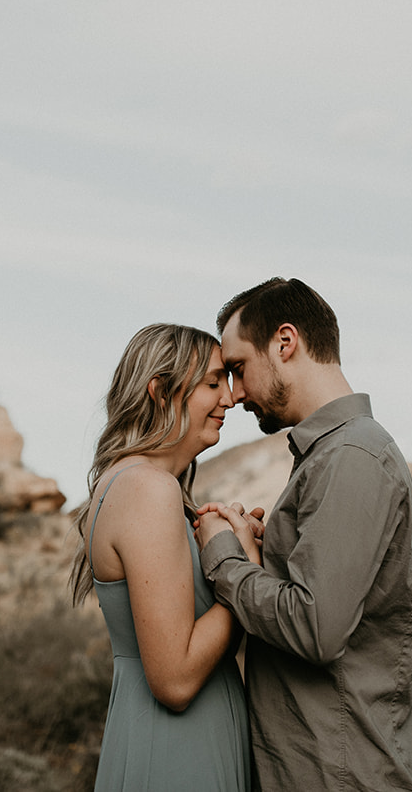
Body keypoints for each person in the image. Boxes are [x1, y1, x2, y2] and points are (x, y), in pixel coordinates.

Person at [194, 278, 412, 791]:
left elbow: (315, 627)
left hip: (339, 775)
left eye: (237, 369)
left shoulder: (351, 458)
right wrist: (263, 550)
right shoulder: (332, 457)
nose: (234, 395)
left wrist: (225, 560)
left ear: (285, 342)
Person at [70, 323, 263, 792]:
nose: (231, 398)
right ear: (160, 390)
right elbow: (175, 680)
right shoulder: (146, 489)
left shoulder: (139, 486)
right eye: (213, 383)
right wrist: (247, 573)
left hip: (178, 736)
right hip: (179, 749)